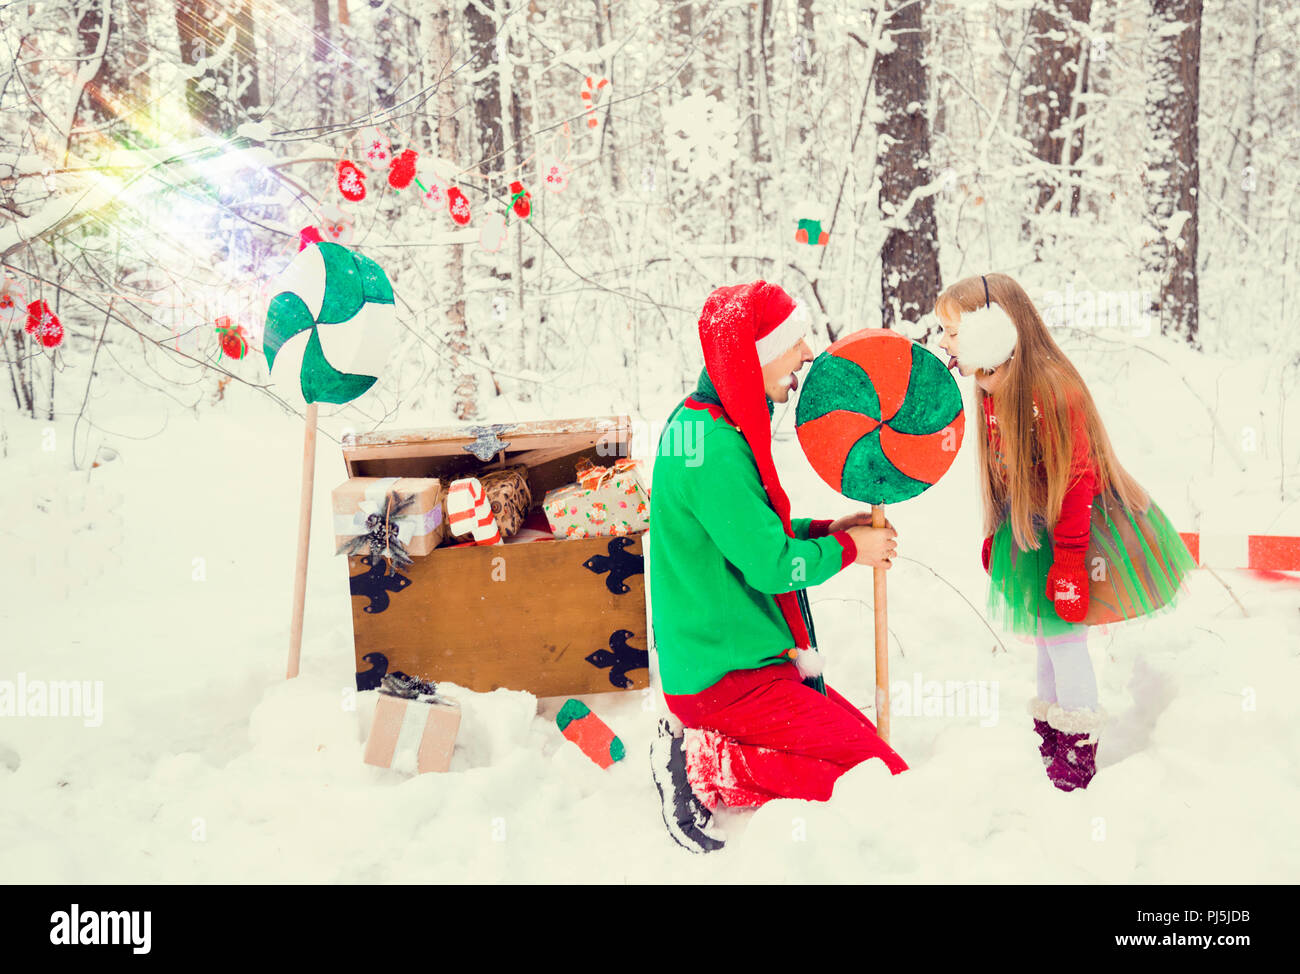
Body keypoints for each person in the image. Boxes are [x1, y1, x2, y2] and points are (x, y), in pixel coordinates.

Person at [648, 280, 906, 854]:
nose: (808, 355)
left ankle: (720, 754)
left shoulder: (706, 423)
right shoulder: (711, 447)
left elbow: (750, 535)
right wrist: (851, 552)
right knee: (875, 780)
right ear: (754, 354)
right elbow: (770, 566)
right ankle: (707, 765)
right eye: (796, 343)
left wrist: (827, 532)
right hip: (727, 681)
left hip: (741, 663)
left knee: (872, 762)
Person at [935, 272, 1196, 792]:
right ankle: (1052, 738)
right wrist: (999, 530)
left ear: (992, 328)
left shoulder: (1049, 389)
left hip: (1075, 528)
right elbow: (1010, 472)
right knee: (1047, 639)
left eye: (953, 330)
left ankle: (1075, 756)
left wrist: (1071, 562)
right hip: (1035, 528)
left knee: (1062, 639)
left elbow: (1077, 479)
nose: (944, 342)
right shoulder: (994, 385)